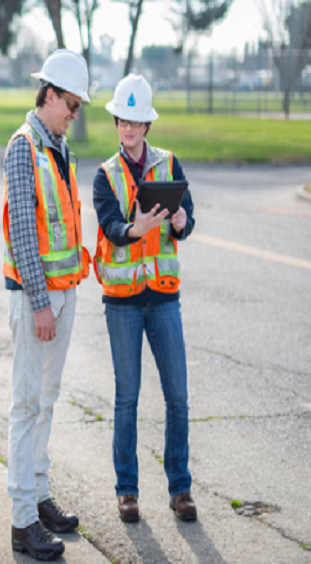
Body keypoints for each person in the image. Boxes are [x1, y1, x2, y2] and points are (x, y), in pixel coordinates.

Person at [92, 74, 197, 523]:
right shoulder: (105, 176)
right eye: (123, 121)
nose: (129, 129)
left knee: (178, 396)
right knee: (127, 398)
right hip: (123, 303)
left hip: (164, 298)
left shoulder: (170, 165)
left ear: (147, 125)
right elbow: (112, 229)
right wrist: (136, 229)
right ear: (116, 123)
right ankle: (127, 491)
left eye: (136, 121)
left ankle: (180, 489)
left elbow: (187, 223)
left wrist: (179, 220)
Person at [3, 49, 91, 561]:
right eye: (71, 105)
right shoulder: (24, 148)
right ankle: (21, 523)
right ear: (50, 95)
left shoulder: (56, 146)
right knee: (26, 405)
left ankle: (38, 497)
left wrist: (60, 296)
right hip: (37, 299)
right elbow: (21, 231)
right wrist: (40, 302)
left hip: (63, 294)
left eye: (77, 108)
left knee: (48, 399)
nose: (74, 116)